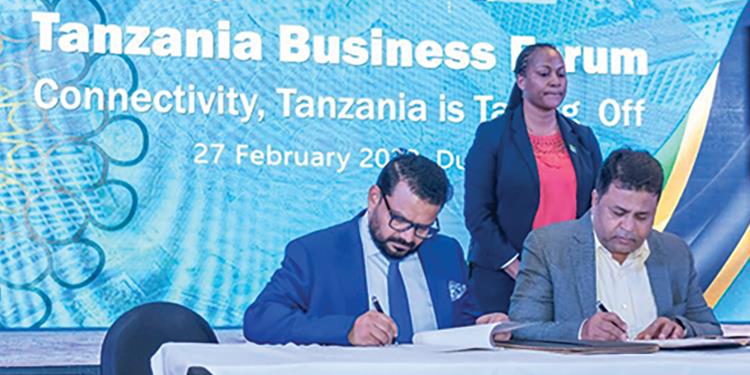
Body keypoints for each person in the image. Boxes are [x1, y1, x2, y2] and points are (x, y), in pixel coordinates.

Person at [244, 152, 510, 346]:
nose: (408, 237)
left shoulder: (446, 252)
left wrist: (483, 328)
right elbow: (260, 320)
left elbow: (463, 320)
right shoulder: (315, 253)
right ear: (374, 198)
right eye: (400, 221)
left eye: (423, 227)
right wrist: (347, 330)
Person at [509, 148, 721, 341]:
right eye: (618, 213)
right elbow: (521, 327)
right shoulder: (549, 246)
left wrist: (680, 328)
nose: (628, 227)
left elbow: (710, 328)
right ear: (595, 200)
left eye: (642, 217)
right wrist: (582, 331)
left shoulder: (675, 252)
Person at [464, 43, 603, 313]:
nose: (555, 81)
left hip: (566, 280)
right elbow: (477, 214)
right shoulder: (493, 135)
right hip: (503, 280)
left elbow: (596, 207)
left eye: (561, 74)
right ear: (521, 81)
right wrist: (517, 268)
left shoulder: (583, 138)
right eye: (544, 73)